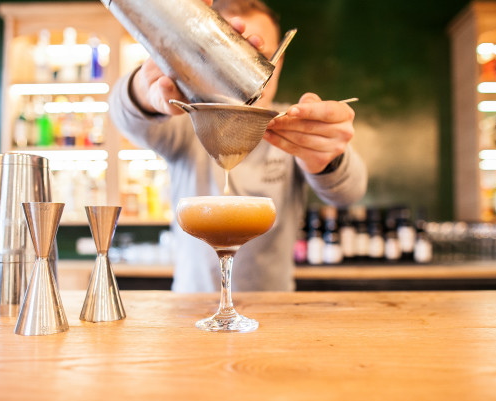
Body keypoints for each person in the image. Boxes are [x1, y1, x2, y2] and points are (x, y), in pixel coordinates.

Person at [109, 0, 367, 292]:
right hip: (191, 307)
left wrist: (326, 158)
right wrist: (141, 91)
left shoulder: (296, 125)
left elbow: (349, 192)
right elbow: (123, 117)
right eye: (229, 59)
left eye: (259, 59)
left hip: (273, 308)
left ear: (278, 62)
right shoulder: (185, 124)